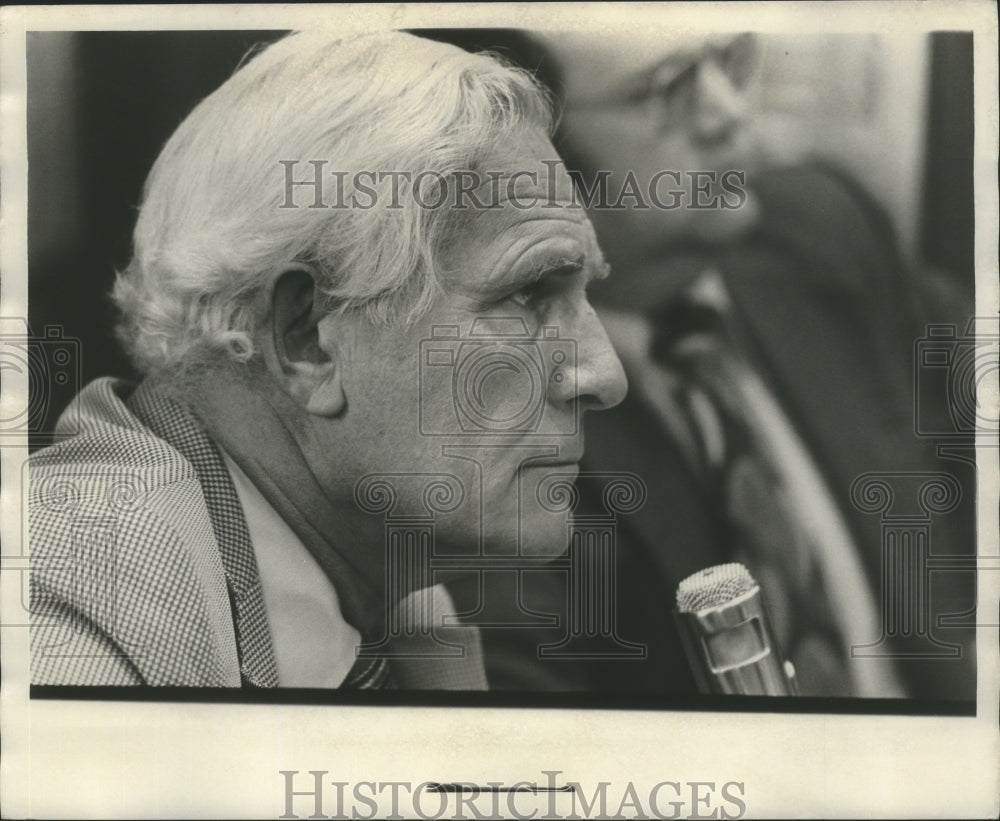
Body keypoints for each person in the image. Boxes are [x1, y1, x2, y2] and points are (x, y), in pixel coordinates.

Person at [28, 30, 629, 689]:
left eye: (585, 294)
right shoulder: (63, 632)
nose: (604, 376)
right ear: (307, 338)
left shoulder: (398, 604)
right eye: (526, 294)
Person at [420, 29, 977, 700]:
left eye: (727, 63)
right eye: (667, 89)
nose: (729, 114)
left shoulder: (821, 230)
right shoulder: (484, 413)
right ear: (528, 154)